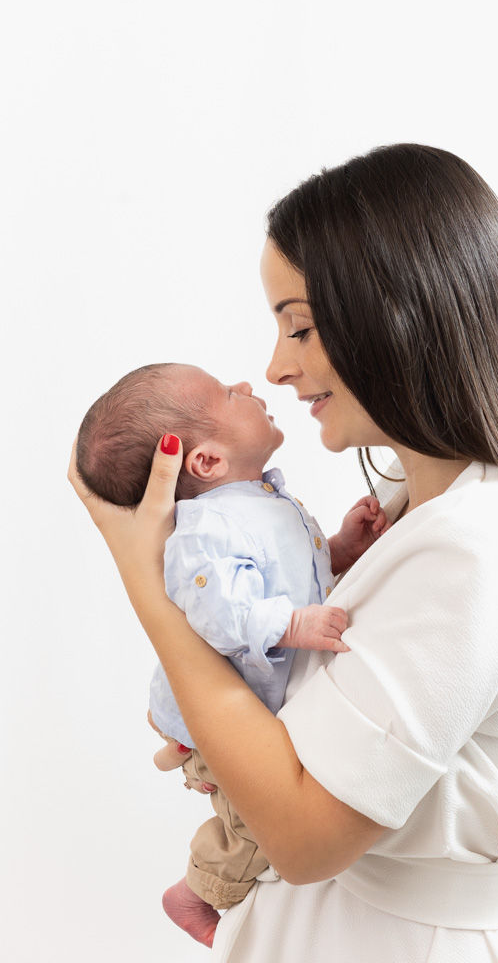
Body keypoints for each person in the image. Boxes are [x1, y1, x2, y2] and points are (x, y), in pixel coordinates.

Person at [69, 143, 498, 962]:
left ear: (401, 311)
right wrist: (229, 742)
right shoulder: (420, 516)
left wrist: (145, 579)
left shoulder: (474, 547)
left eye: (299, 325)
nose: (275, 366)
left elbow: (303, 835)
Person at [75, 361, 389, 947]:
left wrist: (342, 547)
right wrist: (293, 624)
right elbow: (219, 614)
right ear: (207, 462)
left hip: (246, 710)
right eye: (227, 393)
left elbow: (290, 573)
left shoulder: (259, 497)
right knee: (257, 830)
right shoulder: (206, 528)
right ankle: (197, 892)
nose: (248, 386)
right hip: (217, 721)